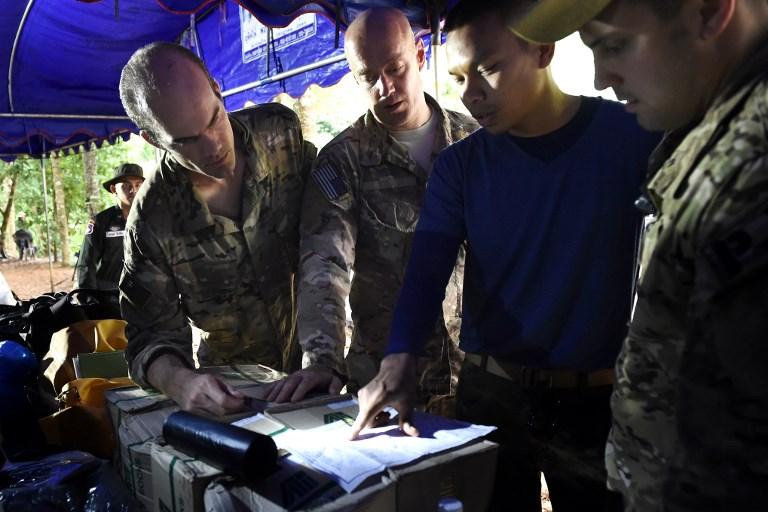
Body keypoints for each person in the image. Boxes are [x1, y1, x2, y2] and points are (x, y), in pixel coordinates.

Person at [350, 1, 661, 510]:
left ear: (543, 48)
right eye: (457, 78)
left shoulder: (629, 136)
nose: (472, 94)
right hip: (491, 397)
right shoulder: (460, 168)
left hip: (594, 402)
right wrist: (398, 358)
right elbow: (427, 272)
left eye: (488, 68)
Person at [504, 0, 768, 510]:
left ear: (710, 11)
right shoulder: (704, 125)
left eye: (613, 45)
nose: (602, 78)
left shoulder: (754, 160)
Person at [266, 8, 478, 410]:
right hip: (389, 383)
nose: (385, 87)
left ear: (419, 56)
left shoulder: (474, 143)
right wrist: (321, 359)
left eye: (395, 68)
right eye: (368, 77)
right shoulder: (343, 162)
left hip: (476, 375)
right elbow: (324, 265)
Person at [117, 42, 316, 416]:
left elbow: (329, 234)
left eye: (213, 119)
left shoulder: (280, 134)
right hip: (237, 397)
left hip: (316, 369)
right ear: (153, 139)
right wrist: (179, 382)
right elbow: (148, 337)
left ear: (216, 88)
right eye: (186, 141)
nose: (212, 147)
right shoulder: (151, 221)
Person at [74, 163, 144, 290]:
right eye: (126, 185)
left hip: (144, 296)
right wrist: (88, 297)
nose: (133, 190)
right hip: (109, 295)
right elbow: (86, 264)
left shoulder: (150, 220)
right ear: (113, 189)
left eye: (138, 185)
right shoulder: (100, 221)